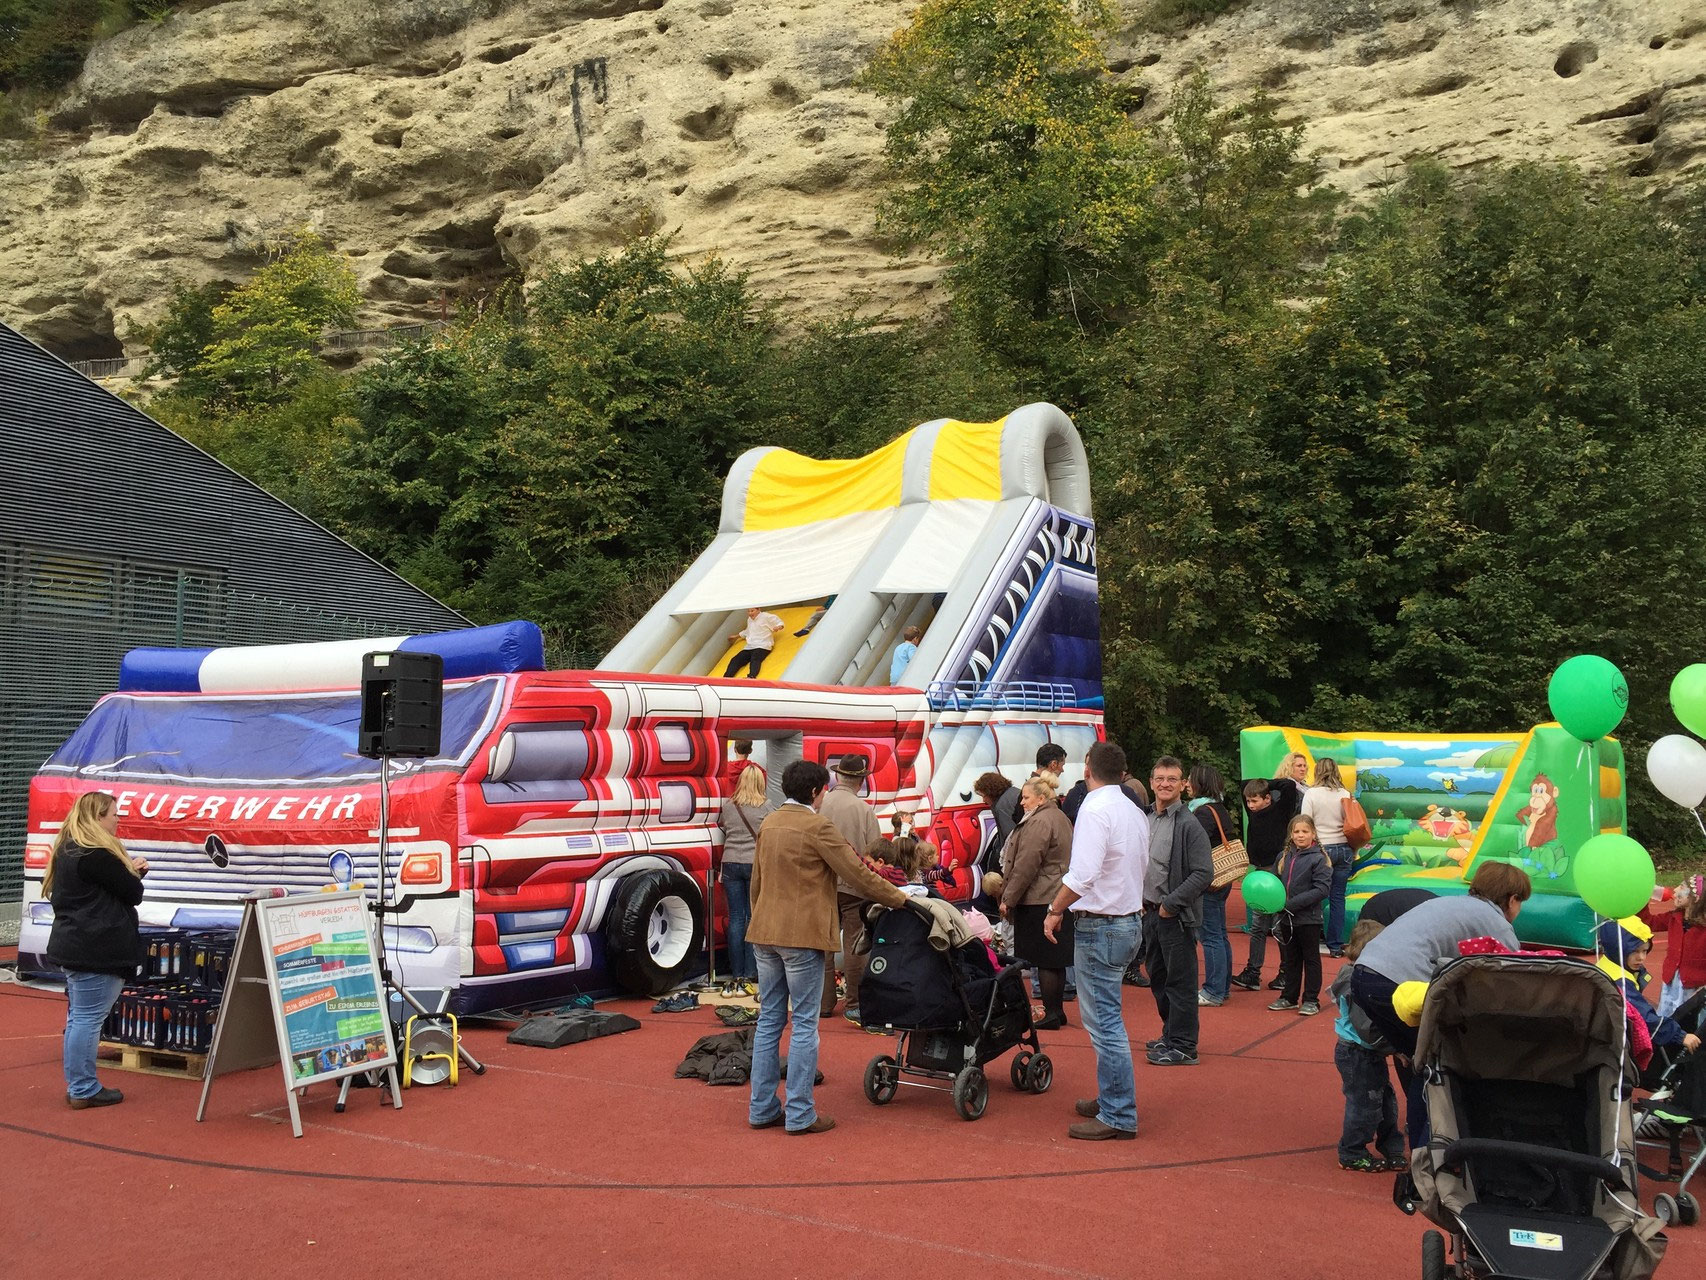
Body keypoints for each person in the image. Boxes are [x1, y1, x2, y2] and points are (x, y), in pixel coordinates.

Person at [746, 760, 909, 1135]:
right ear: (815, 791)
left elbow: (758, 881)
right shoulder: (817, 826)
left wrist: (760, 920)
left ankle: (761, 1108)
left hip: (764, 932)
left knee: (770, 1021)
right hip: (801, 935)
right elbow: (858, 873)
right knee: (804, 1024)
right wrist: (900, 898)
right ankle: (800, 1113)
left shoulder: (770, 823)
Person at [1350, 861, 1532, 1147]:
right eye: (1521, 903)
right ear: (1512, 899)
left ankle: (1422, 1149)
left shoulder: (1451, 903)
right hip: (1395, 983)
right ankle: (1431, 1151)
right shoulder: (1496, 922)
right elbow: (1514, 977)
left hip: (1364, 974)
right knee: (1439, 1065)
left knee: (1420, 1062)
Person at [1043, 740, 1148, 1140]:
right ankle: (1112, 1098)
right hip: (1127, 919)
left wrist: (1055, 909)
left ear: (1087, 768)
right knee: (1108, 1018)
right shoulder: (1132, 808)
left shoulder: (1094, 807)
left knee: (1104, 1022)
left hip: (1102, 924)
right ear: (1122, 772)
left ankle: (1118, 1112)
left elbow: (1083, 873)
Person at [45, 791, 148, 1110]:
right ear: (99, 817)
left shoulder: (67, 849)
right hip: (96, 946)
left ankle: (79, 1084)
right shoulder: (97, 854)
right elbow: (132, 892)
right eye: (114, 814)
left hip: (74, 943)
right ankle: (83, 1087)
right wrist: (135, 872)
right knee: (87, 1019)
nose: (118, 819)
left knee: (79, 1017)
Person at [1141, 755, 1214, 1066]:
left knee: (1180, 983)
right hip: (1149, 913)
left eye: (1172, 779)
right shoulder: (1147, 818)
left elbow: (1203, 873)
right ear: (1151, 782)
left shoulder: (1188, 824)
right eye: (1160, 778)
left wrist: (1171, 905)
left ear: (1183, 785)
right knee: (1158, 979)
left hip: (1174, 917)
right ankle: (1171, 1034)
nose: (1165, 784)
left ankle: (1184, 1046)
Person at [1329, 917, 1407, 1173]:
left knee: (1384, 1098)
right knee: (1364, 1103)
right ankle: (1351, 1151)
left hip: (1368, 1050)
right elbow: (1367, 1027)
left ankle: (1391, 1145)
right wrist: (1396, 1047)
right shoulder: (1355, 981)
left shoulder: (1365, 977)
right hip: (1357, 1052)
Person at [999, 774, 1076, 1029]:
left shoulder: (1039, 821)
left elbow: (1026, 864)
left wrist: (1008, 898)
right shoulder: (1059, 817)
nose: (1021, 802)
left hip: (1039, 898)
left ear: (1041, 798)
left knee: (1044, 959)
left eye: (1026, 797)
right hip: (1058, 894)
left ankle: (1051, 1013)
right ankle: (1057, 1011)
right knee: (1055, 959)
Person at [820, 755, 882, 1021]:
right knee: (855, 945)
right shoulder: (864, 810)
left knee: (823, 945)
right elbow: (876, 852)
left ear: (838, 776)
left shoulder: (821, 804)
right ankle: (854, 1003)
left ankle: (823, 1003)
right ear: (860, 780)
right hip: (854, 884)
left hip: (822, 882)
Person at [1596, 916, 1701, 1064]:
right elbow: (1642, 1015)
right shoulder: (1620, 980)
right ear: (1618, 948)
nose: (1641, 957)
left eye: (1645, 951)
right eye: (1635, 951)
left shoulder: (1609, 965)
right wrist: (1680, 1035)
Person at [1231, 776, 1295, 992]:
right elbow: (1243, 784)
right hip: (1259, 872)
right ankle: (1253, 972)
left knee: (1279, 925)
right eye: (1248, 801)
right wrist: (1257, 788)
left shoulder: (1280, 810)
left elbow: (1289, 786)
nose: (1250, 805)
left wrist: (1268, 784)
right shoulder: (1253, 812)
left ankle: (1286, 973)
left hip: (1275, 872)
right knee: (1258, 926)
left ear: (1268, 798)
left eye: (1255, 801)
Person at [717, 764, 774, 991]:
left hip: (730, 862)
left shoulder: (728, 806)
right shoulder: (766, 807)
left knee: (736, 918)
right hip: (754, 864)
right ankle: (751, 971)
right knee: (753, 917)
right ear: (760, 782)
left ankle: (736, 972)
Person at [1267, 815, 1331, 1016]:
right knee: (1291, 959)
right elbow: (1273, 883)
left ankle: (1311, 999)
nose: (1300, 835)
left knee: (1311, 959)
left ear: (1313, 834)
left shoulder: (1319, 859)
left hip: (1309, 919)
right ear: (1291, 834)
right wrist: (1271, 902)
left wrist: (1291, 904)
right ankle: (1289, 997)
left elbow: (1321, 889)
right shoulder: (1283, 856)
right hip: (1286, 919)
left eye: (1305, 831)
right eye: (1296, 831)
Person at [1187, 764, 1237, 1007]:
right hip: (1222, 877)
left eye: (1190, 779)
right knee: (1219, 934)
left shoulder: (1202, 812)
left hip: (1209, 880)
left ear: (1200, 783)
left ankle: (1213, 990)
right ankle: (1221, 987)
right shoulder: (1218, 807)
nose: (1187, 784)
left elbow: (1196, 845)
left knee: (1210, 936)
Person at [1301, 757, 1355, 958]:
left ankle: (1312, 939)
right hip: (1344, 849)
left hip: (1321, 849)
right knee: (1337, 897)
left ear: (1317, 772)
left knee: (1314, 894)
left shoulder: (1311, 794)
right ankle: (1335, 945)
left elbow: (1305, 822)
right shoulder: (1345, 794)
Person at [724, 606, 785, 678]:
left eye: (752, 611)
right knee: (735, 660)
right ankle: (726, 678)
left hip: (763, 645)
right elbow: (748, 631)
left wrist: (778, 627)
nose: (750, 613)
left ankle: (751, 677)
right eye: (748, 611)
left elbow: (779, 622)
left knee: (755, 659)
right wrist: (736, 636)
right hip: (750, 646)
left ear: (758, 610)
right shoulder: (749, 620)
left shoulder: (765, 616)